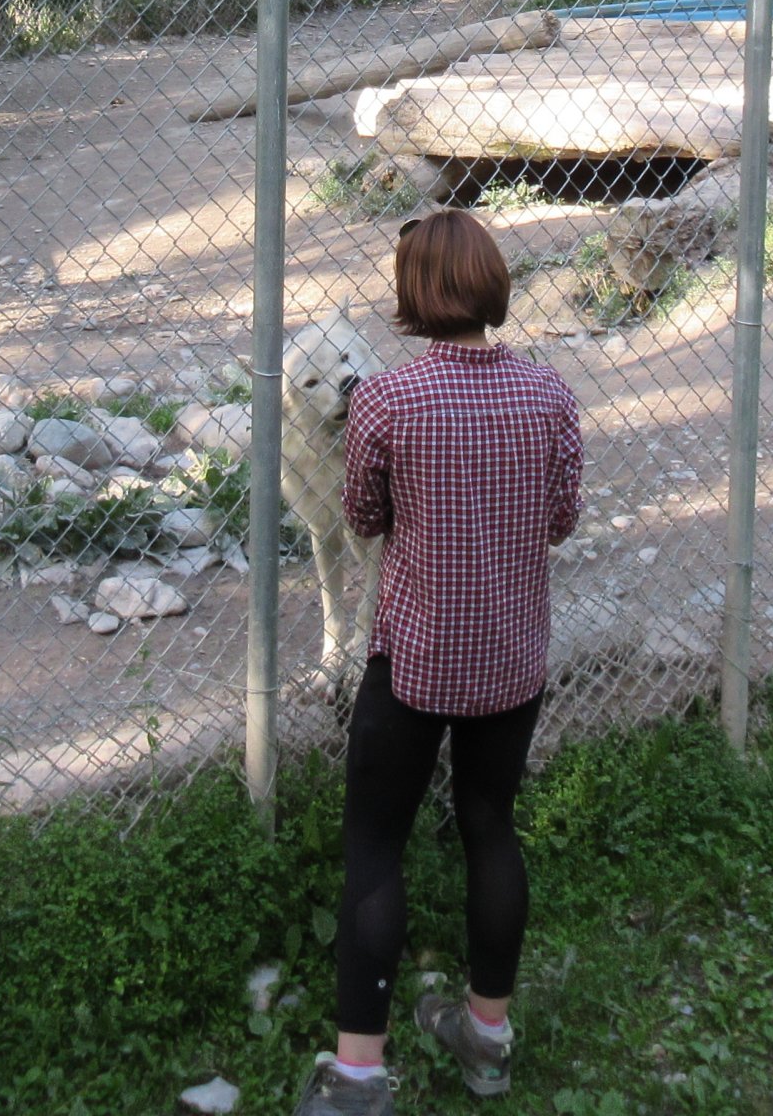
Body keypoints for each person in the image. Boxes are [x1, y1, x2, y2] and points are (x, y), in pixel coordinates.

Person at [297, 210, 582, 1113]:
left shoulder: (386, 401)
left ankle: (358, 1077)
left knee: (375, 845)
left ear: (412, 297)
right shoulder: (550, 394)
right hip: (510, 657)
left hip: (414, 658)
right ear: (493, 286)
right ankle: (487, 1040)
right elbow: (561, 519)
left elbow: (363, 519)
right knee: (491, 827)